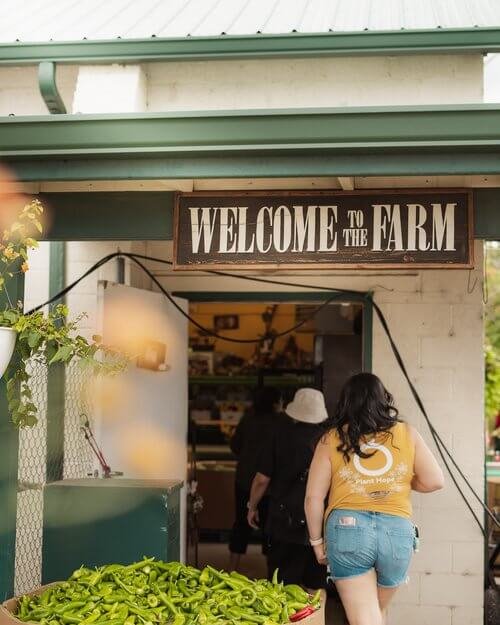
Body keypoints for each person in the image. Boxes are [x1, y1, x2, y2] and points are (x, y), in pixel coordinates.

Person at [305, 373, 445, 625]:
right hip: (397, 531)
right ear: (383, 399)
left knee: (366, 619)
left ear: (346, 402)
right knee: (374, 615)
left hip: (348, 529)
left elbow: (313, 498)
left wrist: (317, 542)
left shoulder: (331, 438)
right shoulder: (406, 432)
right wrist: (399, 481)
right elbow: (435, 480)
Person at [247, 388, 328, 587]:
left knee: (280, 585)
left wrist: (252, 506)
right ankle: (313, 619)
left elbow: (261, 479)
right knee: (315, 587)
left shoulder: (278, 435)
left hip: (283, 522)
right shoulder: (328, 441)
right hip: (318, 525)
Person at [229, 386, 282, 571]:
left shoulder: (247, 419)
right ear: (276, 403)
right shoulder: (280, 423)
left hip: (244, 479)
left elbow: (235, 445)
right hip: (270, 484)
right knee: (270, 527)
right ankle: (271, 573)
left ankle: (231, 568)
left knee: (241, 524)